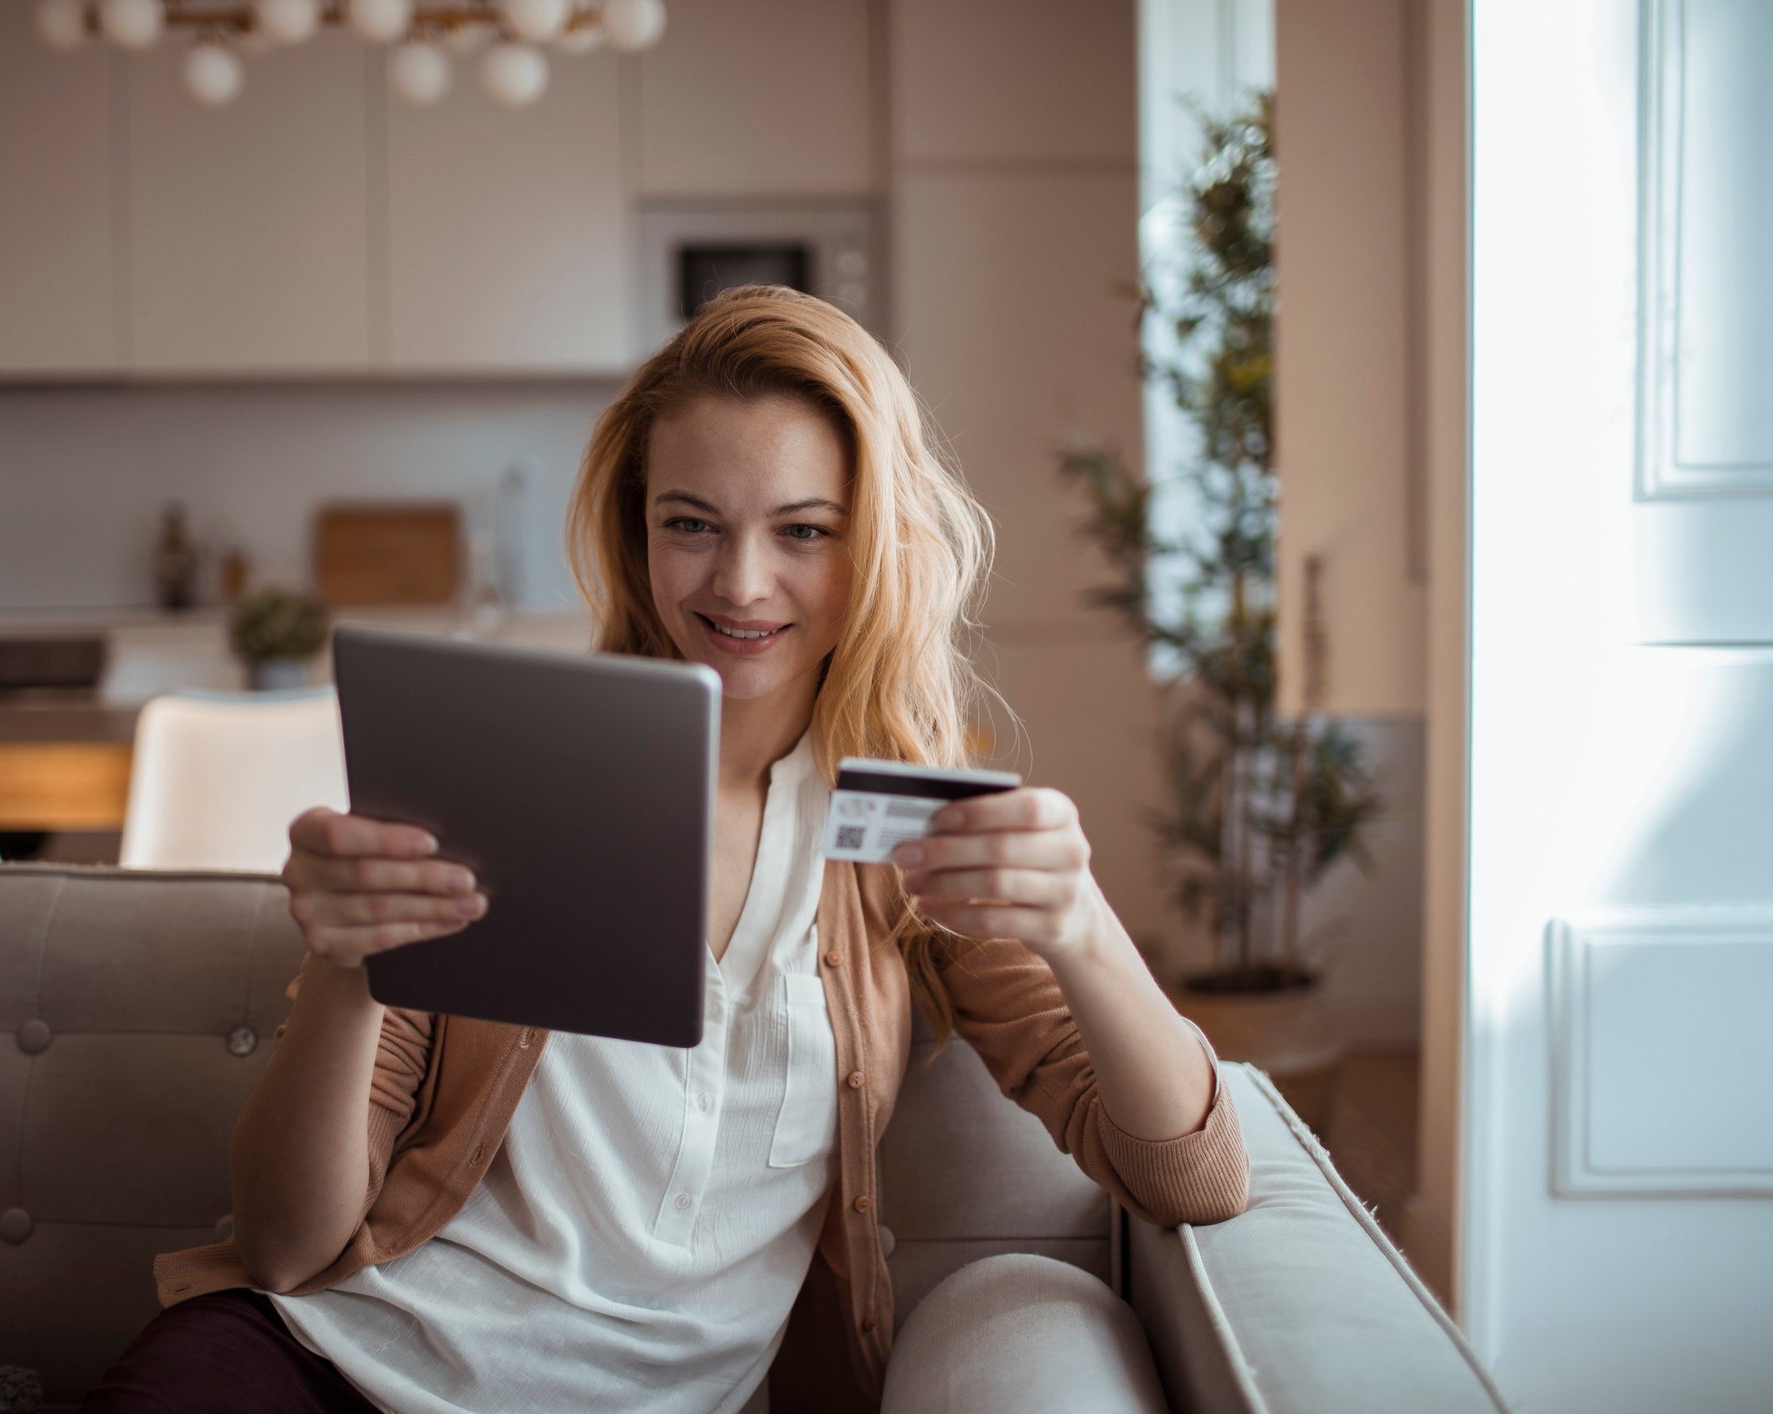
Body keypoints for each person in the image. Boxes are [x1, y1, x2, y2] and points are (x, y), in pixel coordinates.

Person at [83, 286, 1251, 1414]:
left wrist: (1082, 922)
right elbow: (289, 1250)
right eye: (691, 524)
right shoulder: (506, 776)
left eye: (804, 530)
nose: (740, 583)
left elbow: (1192, 1177)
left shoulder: (902, 846)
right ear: (636, 527)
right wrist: (346, 968)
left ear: (877, 548)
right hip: (324, 1363)